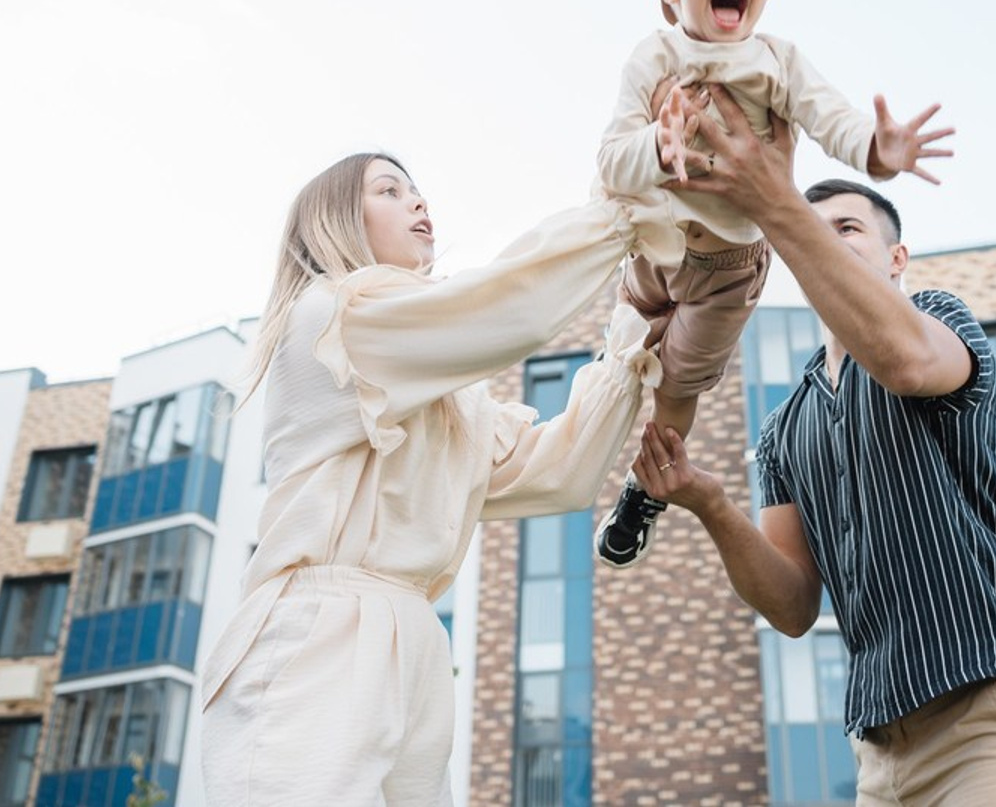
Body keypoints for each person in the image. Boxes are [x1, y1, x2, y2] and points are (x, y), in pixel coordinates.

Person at [632, 88, 996, 805]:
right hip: (884, 759)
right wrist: (710, 503)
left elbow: (907, 362)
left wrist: (774, 197)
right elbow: (792, 608)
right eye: (813, 230)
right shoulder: (784, 428)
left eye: (847, 227)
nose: (824, 238)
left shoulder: (937, 318)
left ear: (896, 257)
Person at [200, 152, 666, 805]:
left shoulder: (444, 393)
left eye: (418, 189)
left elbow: (560, 473)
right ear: (333, 221)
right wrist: (625, 211)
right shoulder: (335, 314)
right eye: (390, 190)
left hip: (410, 631)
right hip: (320, 628)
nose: (420, 202)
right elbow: (504, 310)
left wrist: (633, 338)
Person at [594, 0, 953, 569]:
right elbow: (612, 159)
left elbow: (833, 120)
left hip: (723, 272)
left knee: (677, 387)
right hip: (650, 250)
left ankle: (646, 492)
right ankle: (589, 442)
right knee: (622, 353)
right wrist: (660, 148)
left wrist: (880, 153)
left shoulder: (778, 62)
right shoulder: (652, 59)